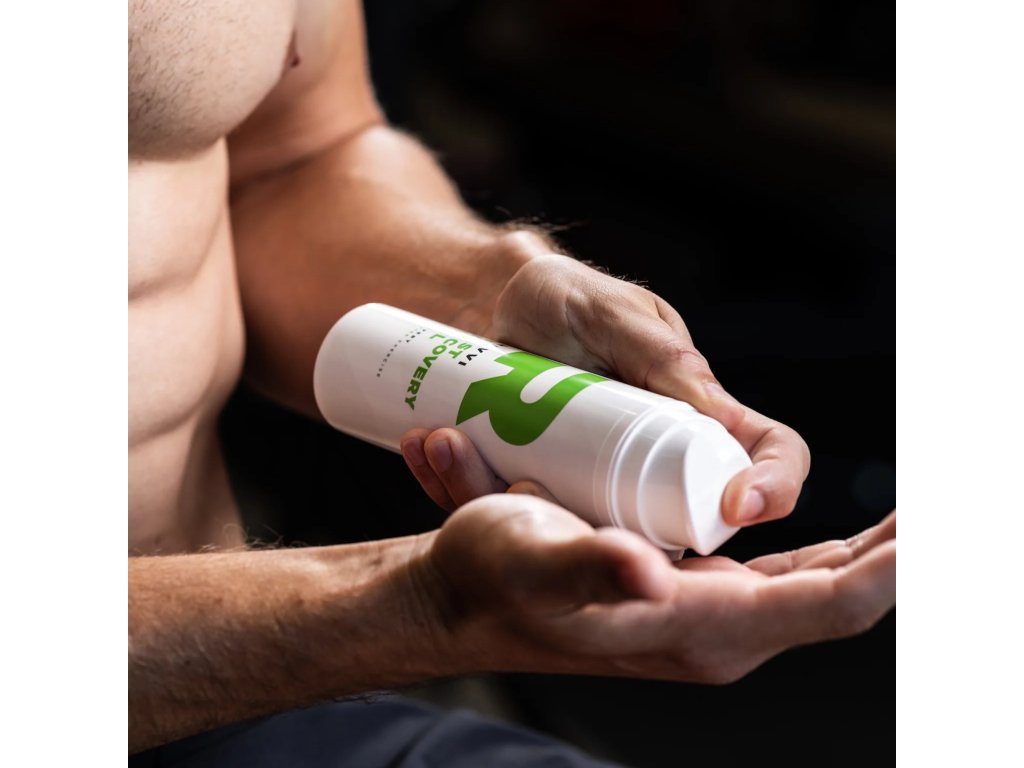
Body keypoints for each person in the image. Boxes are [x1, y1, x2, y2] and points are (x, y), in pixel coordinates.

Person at [128, 0, 896, 763]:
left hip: (249, 706)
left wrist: (493, 291)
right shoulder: (399, 609)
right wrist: (412, 610)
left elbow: (293, 160)